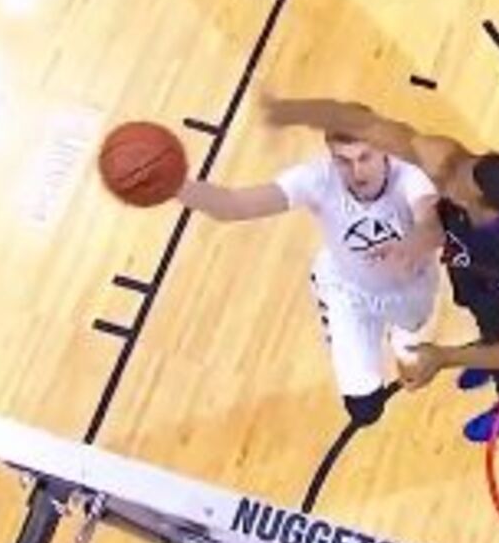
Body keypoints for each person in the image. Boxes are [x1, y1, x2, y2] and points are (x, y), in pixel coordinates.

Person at [262, 94, 499, 442]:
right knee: (475, 313)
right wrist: (290, 111)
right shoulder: (448, 162)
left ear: (488, 209)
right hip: (465, 264)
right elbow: (365, 125)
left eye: (460, 190)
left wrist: (445, 357)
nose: (449, 186)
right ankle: (487, 355)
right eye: (459, 175)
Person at [176, 130, 442, 430]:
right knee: (364, 409)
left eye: (364, 157)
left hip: (410, 290)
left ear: (384, 150)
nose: (357, 172)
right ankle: (362, 334)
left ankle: (402, 337)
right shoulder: (316, 178)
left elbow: (432, 227)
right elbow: (234, 205)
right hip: (348, 290)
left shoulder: (411, 178)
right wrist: (173, 185)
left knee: (412, 364)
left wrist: (410, 246)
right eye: (343, 160)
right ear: (331, 155)